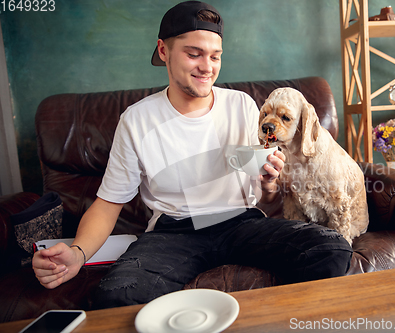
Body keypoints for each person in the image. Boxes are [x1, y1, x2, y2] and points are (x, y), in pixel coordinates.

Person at [32, 0, 352, 308]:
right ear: (164, 51)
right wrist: (76, 253)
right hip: (173, 233)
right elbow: (107, 204)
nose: (207, 67)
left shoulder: (242, 105)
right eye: (194, 54)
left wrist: (269, 181)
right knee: (117, 297)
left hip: (242, 222)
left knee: (331, 249)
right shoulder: (136, 120)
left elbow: (264, 186)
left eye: (215, 56)